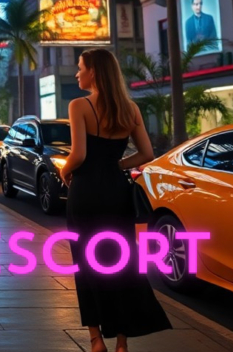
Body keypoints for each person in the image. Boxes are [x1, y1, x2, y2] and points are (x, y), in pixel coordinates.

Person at [59, 49, 171, 352]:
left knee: (86, 263)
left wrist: (65, 171)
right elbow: (147, 154)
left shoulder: (79, 105)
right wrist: (115, 166)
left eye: (81, 68)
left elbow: (78, 155)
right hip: (116, 192)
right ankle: (122, 341)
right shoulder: (130, 108)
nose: (77, 73)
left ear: (94, 71)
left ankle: (96, 339)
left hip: (85, 192)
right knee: (120, 263)